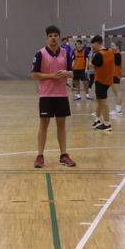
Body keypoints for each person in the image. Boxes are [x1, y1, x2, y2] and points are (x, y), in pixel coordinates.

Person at [31, 25, 76, 168]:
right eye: (50, 35)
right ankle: (39, 155)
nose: (53, 38)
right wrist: (51, 76)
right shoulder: (40, 54)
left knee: (61, 125)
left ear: (59, 37)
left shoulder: (65, 53)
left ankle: (63, 155)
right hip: (46, 95)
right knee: (43, 125)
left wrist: (67, 73)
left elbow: (72, 72)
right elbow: (34, 74)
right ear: (47, 38)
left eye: (55, 35)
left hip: (62, 95)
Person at [89, 35, 115, 132]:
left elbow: (90, 66)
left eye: (93, 45)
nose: (92, 47)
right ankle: (98, 120)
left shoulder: (99, 55)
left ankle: (107, 124)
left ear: (97, 43)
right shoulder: (110, 51)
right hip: (108, 79)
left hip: (100, 80)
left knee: (103, 102)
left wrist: (89, 58)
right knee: (99, 101)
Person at [110, 41, 125, 115]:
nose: (111, 47)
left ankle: (118, 110)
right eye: (111, 46)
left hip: (115, 75)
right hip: (113, 75)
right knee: (116, 92)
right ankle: (117, 109)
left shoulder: (117, 55)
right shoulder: (115, 54)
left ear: (117, 47)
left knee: (117, 92)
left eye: (113, 46)